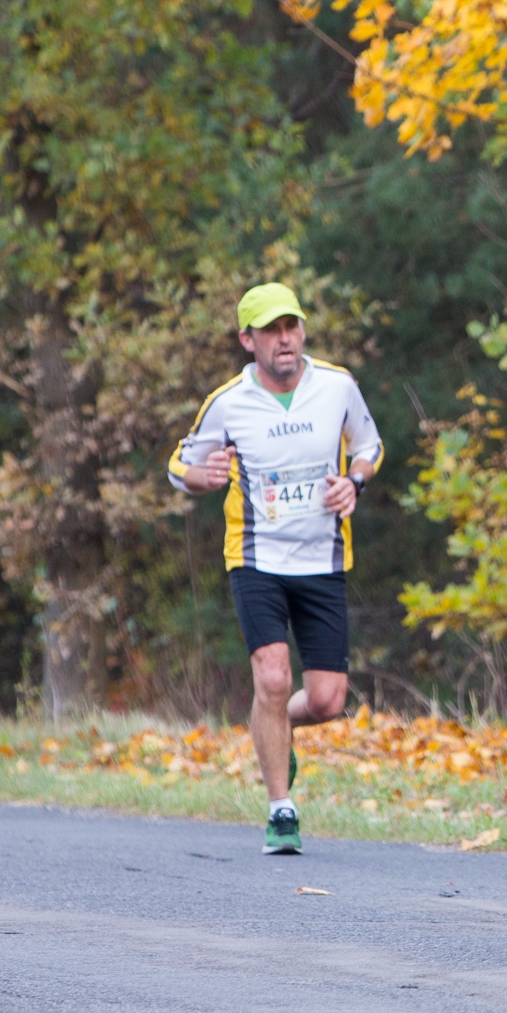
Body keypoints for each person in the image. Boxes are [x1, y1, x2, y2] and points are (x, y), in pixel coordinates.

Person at [168, 283, 384, 854]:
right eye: (270, 330)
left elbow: (370, 445)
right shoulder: (228, 403)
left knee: (327, 701)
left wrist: (353, 482)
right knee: (271, 678)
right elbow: (179, 467)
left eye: (291, 326)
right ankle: (280, 810)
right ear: (248, 340)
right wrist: (203, 477)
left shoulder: (337, 386)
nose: (284, 339)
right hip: (256, 558)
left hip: (323, 559)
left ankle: (273, 728)